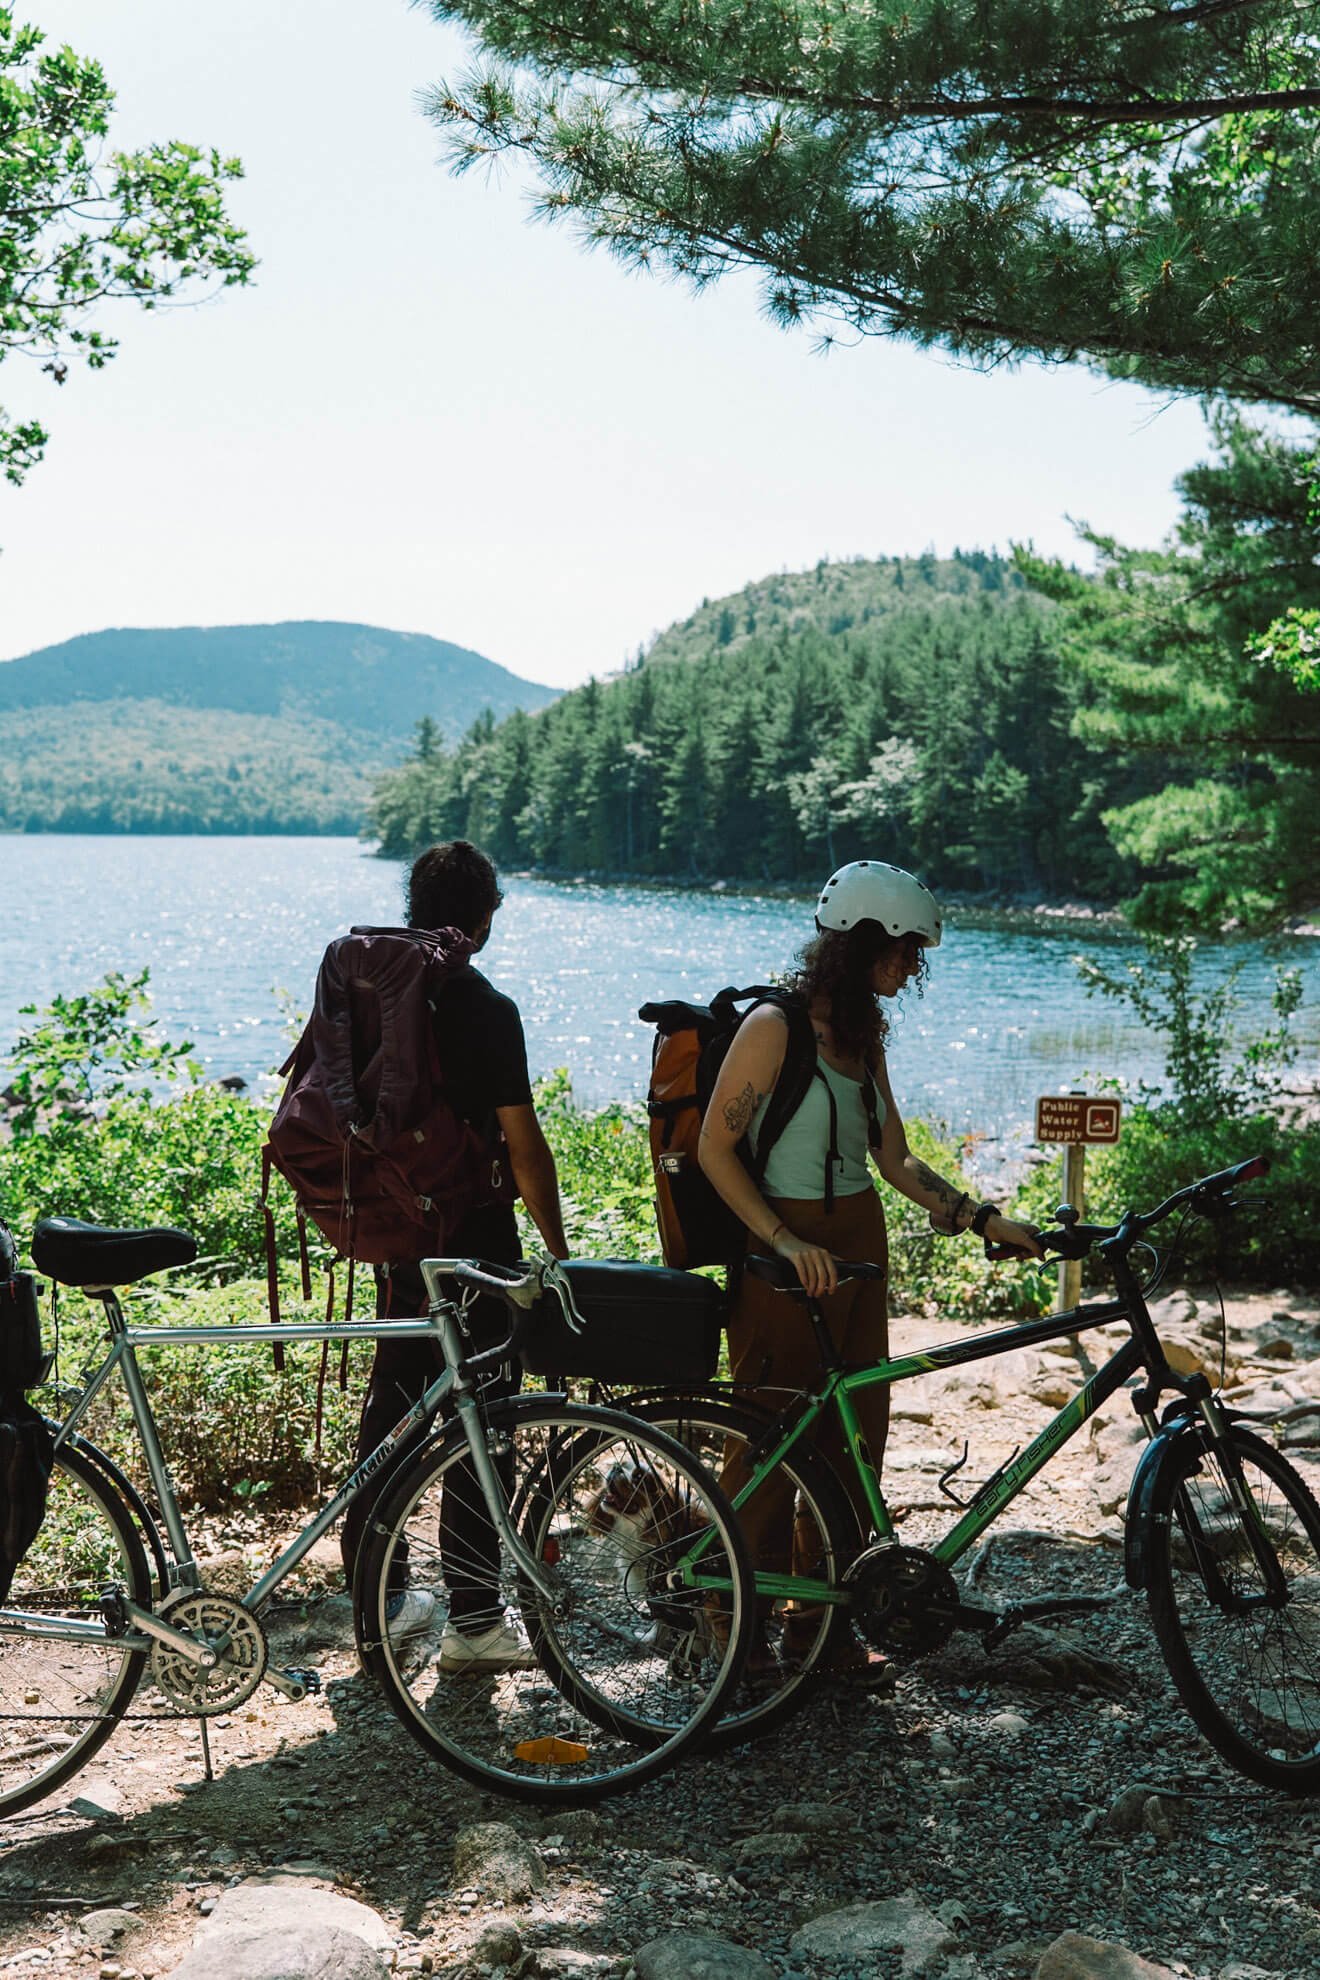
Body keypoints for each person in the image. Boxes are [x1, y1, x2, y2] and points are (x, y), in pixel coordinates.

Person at [698, 859, 1042, 1682]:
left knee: (855, 1442)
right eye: (905, 951)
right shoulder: (774, 1027)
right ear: (863, 944)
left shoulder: (861, 1037)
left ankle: (821, 1632)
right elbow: (713, 1147)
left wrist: (980, 1217)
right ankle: (730, 1623)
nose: (913, 967)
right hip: (783, 1251)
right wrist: (783, 1240)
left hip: (858, 1244)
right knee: (771, 1438)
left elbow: (893, 1158)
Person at [339, 839, 569, 1671]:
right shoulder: (483, 1005)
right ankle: (473, 1623)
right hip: (474, 1243)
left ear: (411, 905)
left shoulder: (372, 994)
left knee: (391, 1415)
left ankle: (381, 1607)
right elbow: (525, 1144)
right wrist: (558, 1249)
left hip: (399, 1235)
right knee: (485, 1422)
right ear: (486, 913)